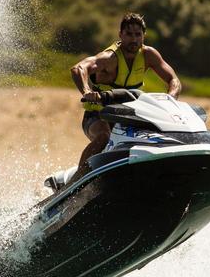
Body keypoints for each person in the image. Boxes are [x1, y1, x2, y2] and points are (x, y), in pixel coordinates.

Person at [70, 12, 181, 178]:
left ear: (144, 35)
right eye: (129, 34)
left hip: (130, 116)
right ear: (120, 34)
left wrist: (170, 98)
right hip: (99, 115)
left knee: (157, 137)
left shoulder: (148, 55)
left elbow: (174, 79)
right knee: (103, 138)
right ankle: (76, 183)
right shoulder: (110, 58)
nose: (134, 39)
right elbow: (78, 68)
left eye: (138, 34)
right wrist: (87, 91)